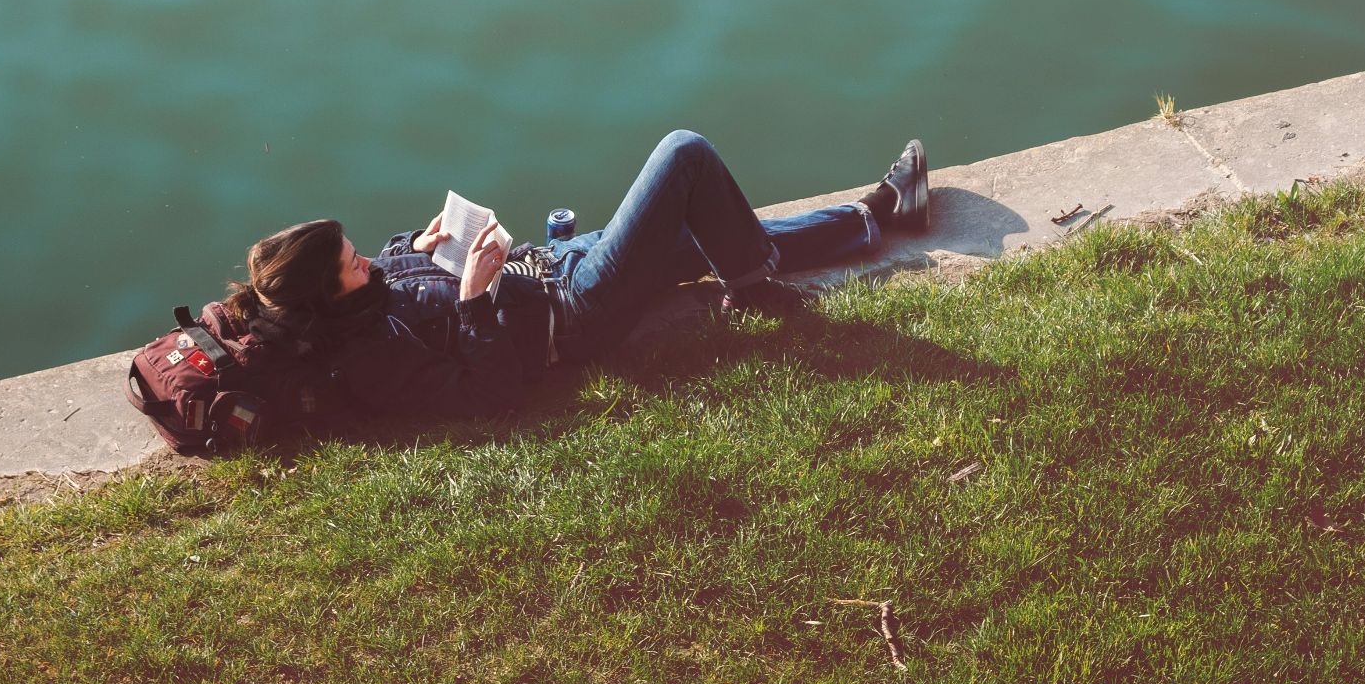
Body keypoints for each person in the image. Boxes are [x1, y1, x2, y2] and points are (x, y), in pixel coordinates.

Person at [222, 131, 929, 425]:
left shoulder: (359, 302)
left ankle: (875, 215)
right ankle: (755, 286)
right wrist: (471, 300)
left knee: (702, 231)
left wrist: (421, 241)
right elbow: (489, 395)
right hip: (575, 312)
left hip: (551, 267)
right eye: (354, 264)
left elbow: (393, 278)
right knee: (684, 156)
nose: (369, 260)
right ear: (329, 295)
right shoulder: (371, 362)